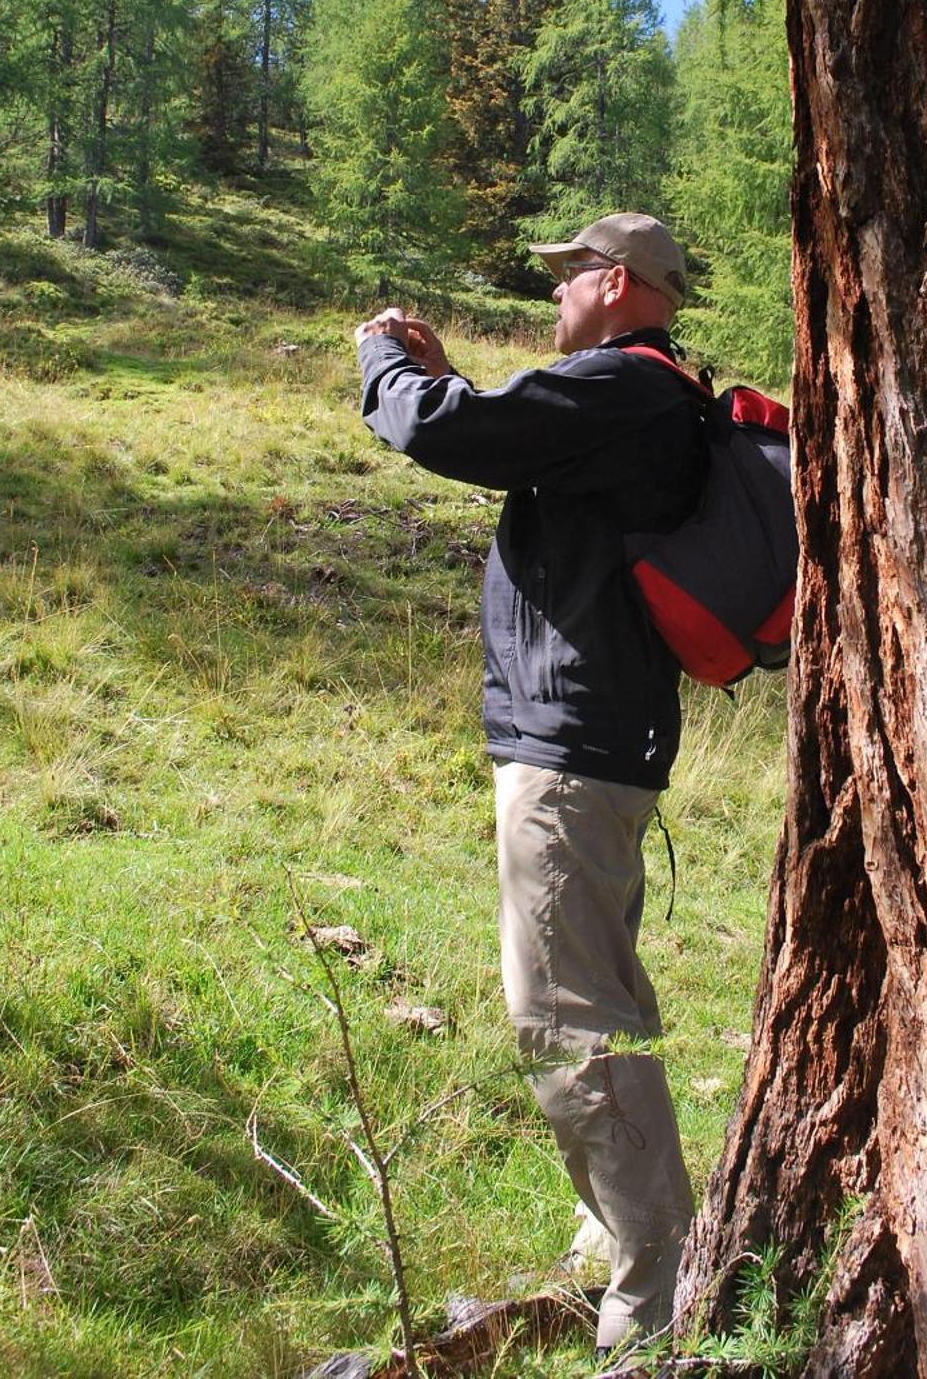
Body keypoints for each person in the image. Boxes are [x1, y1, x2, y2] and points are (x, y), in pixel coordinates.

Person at [354, 213, 703, 1355]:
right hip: (591, 741)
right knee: (598, 1002)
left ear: (613, 282)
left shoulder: (625, 388)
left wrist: (389, 366)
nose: (552, 295)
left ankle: (653, 1298)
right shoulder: (632, 394)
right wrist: (457, 384)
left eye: (563, 277)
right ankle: (617, 1240)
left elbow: (452, 433)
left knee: (567, 1019)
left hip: (572, 750)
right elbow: (512, 435)